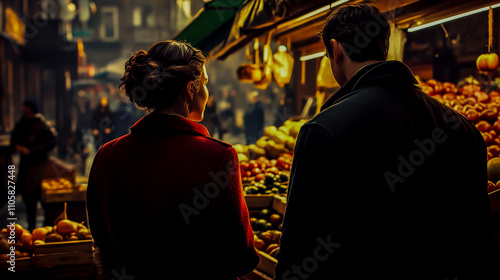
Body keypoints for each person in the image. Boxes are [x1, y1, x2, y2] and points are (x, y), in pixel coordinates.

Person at [274, 4, 494, 280]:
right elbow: (480, 238)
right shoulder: (464, 129)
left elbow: (299, 248)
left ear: (336, 49)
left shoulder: (322, 130)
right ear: (383, 46)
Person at [86, 40, 259, 279]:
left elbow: (102, 241)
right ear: (191, 89)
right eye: (205, 84)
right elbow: (240, 255)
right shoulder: (218, 157)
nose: (207, 92)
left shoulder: (106, 156)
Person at [10, 100, 56, 229]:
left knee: (36, 195)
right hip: (26, 166)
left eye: (28, 111)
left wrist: (31, 150)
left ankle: (45, 226)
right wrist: (17, 147)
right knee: (28, 197)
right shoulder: (22, 123)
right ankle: (32, 227)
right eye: (25, 111)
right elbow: (13, 142)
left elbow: (51, 141)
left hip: (38, 165)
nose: (26, 114)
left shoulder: (41, 124)